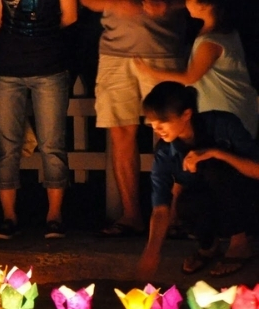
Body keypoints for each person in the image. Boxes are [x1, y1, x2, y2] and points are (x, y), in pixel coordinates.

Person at [80, 0, 187, 237]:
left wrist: (169, 6)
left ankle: (173, 216)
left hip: (163, 49)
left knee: (171, 134)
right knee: (120, 133)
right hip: (115, 52)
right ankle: (131, 215)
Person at [136, 81, 259, 279]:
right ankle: (208, 246)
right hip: (213, 209)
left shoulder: (223, 124)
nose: (156, 129)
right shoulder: (165, 152)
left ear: (186, 114)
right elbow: (161, 207)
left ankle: (240, 244)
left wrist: (216, 153)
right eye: (152, 123)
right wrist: (151, 252)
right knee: (186, 201)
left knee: (214, 169)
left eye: (162, 121)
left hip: (248, 204)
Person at [0, 0, 78, 240]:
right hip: (7, 67)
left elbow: (71, 16)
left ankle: (54, 216)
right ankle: (9, 217)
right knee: (7, 145)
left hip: (48, 66)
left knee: (52, 143)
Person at [134, 0, 258, 138]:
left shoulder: (210, 42)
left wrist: (151, 71)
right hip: (230, 104)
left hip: (226, 107)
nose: (186, 3)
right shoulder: (224, 32)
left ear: (205, 5)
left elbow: (190, 77)